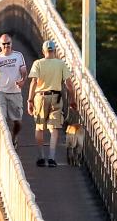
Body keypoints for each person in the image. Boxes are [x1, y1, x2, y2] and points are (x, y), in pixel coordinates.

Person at [27, 39, 76, 168]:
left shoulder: (38, 63)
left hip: (40, 97)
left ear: (44, 51)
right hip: (56, 97)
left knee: (39, 127)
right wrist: (72, 100)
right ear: (55, 51)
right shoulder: (61, 64)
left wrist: (30, 100)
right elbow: (69, 84)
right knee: (54, 128)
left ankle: (41, 157)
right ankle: (52, 158)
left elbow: (33, 82)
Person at [0, 34, 27, 148]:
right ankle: (4, 144)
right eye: (4, 44)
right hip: (1, 91)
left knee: (17, 121)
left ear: (11, 43)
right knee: (2, 118)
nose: (6, 46)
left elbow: (24, 70)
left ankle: (14, 137)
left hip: (15, 92)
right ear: (0, 45)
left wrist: (22, 81)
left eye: (8, 43)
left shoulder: (18, 55)